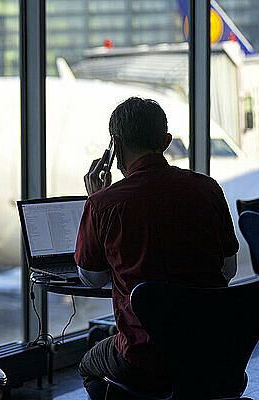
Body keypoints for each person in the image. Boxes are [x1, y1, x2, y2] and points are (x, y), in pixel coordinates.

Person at [75, 97, 239, 399]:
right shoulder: (208, 188)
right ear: (165, 142)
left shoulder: (103, 204)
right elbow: (228, 269)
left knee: (88, 364)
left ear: (115, 146)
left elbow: (92, 278)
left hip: (145, 361)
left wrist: (95, 201)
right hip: (214, 355)